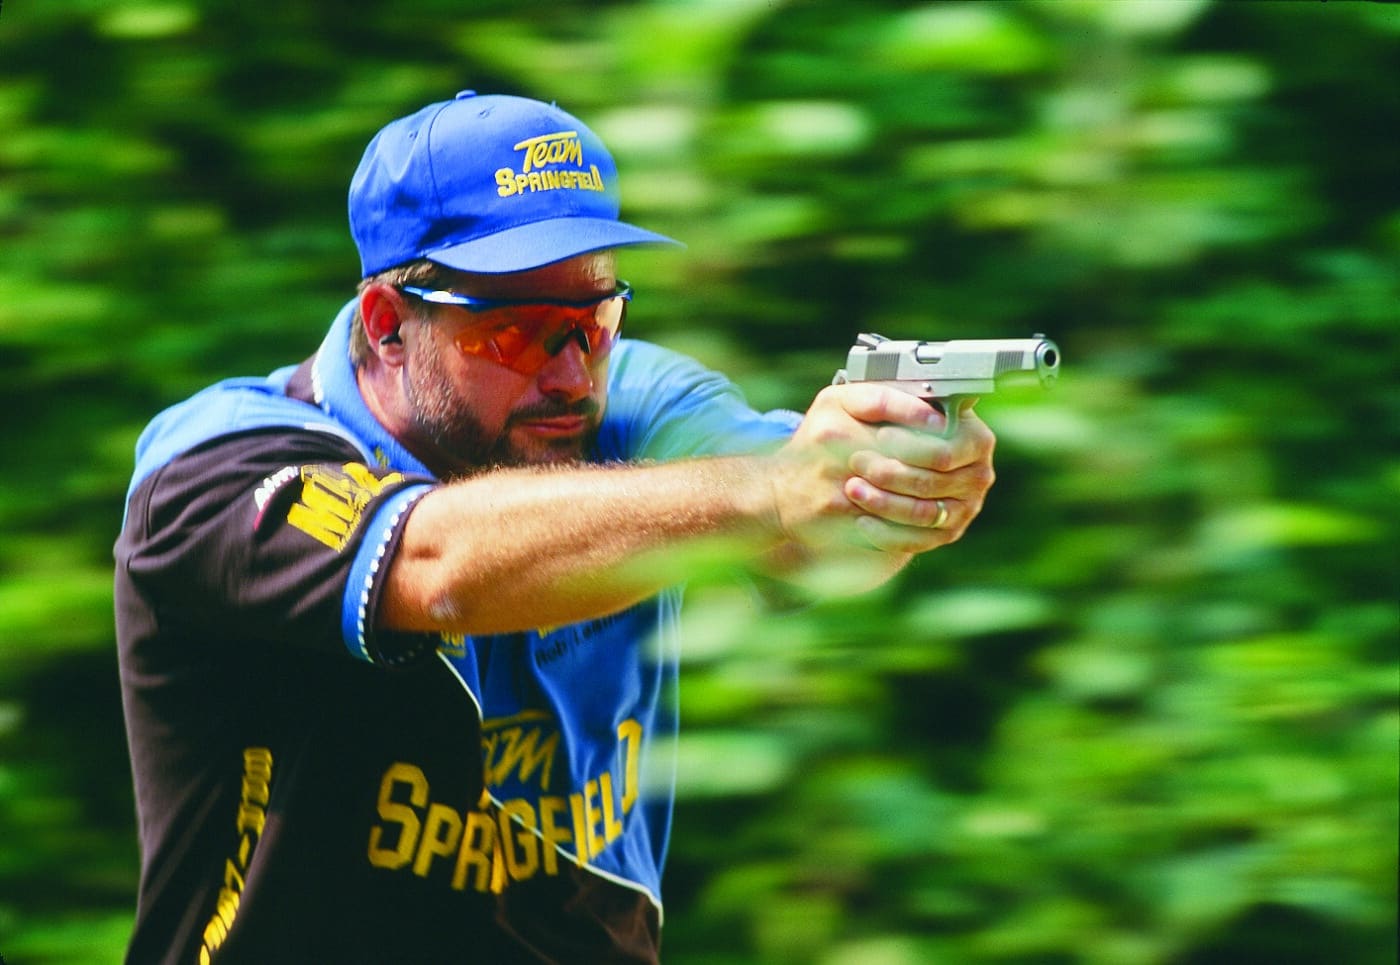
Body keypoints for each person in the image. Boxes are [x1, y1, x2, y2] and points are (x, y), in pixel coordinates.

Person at [113, 91, 996, 964]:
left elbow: (796, 518)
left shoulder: (631, 397)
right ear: (388, 327)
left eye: (595, 319)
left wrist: (888, 484)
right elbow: (440, 564)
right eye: (516, 332)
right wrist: (769, 491)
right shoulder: (217, 466)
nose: (572, 373)